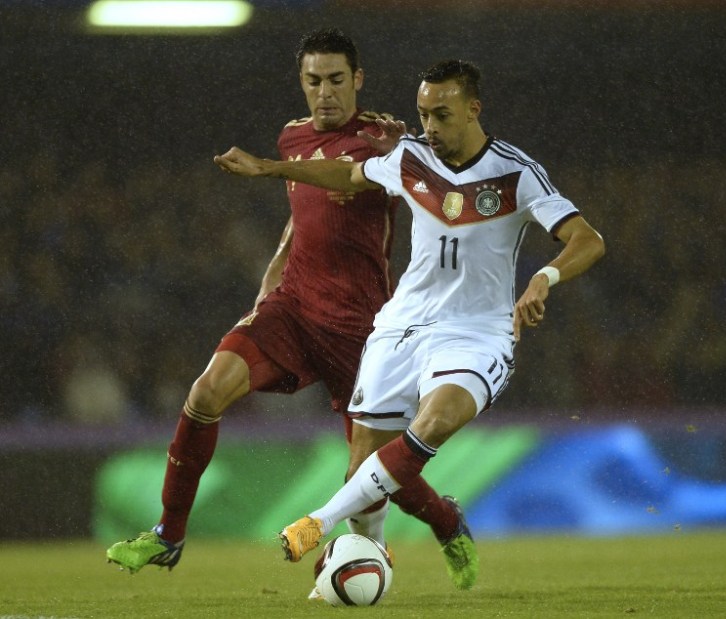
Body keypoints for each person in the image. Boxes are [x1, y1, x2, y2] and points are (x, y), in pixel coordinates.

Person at [106, 30, 479, 592]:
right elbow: (298, 218)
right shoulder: (292, 137)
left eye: (335, 80)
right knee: (206, 393)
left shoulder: (387, 141)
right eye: (313, 81)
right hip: (293, 308)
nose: (324, 93)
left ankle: (447, 521)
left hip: (363, 329)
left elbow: (429, 177)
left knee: (374, 478)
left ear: (357, 80)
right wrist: (270, 283)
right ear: (301, 83)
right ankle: (168, 534)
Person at [213, 59, 606, 569]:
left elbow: (587, 239)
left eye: (442, 115)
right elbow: (349, 175)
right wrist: (273, 168)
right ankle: (379, 551)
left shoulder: (515, 172)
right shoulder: (409, 157)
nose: (430, 128)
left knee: (434, 421)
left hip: (477, 332)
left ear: (473, 109)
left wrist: (542, 278)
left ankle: (320, 522)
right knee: (364, 467)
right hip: (402, 326)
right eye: (423, 115)